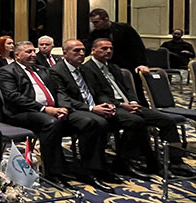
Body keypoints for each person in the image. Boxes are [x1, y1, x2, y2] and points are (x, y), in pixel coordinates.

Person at [0, 41, 111, 190]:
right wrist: (44, 109)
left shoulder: (42, 70)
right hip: (23, 113)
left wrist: (63, 107)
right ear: (17, 55)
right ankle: (55, 173)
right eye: (28, 52)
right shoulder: (7, 71)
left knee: (93, 121)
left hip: (53, 110)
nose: (33, 54)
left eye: (34, 51)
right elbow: (14, 97)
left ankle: (90, 169)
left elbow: (59, 91)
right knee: (51, 123)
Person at [50, 40, 156, 183]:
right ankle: (92, 170)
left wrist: (107, 104)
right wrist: (92, 108)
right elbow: (64, 99)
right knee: (98, 123)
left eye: (83, 50)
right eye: (76, 51)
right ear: (65, 53)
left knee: (135, 120)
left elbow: (99, 92)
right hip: (76, 109)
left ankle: (123, 162)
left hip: (95, 107)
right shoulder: (56, 71)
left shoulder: (85, 69)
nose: (81, 53)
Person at [81, 38, 190, 176]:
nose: (108, 51)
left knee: (166, 120)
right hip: (110, 106)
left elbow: (128, 88)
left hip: (128, 105)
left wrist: (133, 101)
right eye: (104, 48)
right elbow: (97, 94)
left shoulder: (113, 67)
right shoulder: (87, 69)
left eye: (111, 48)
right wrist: (121, 105)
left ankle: (176, 161)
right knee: (136, 122)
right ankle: (125, 162)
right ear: (94, 50)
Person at [86, 8, 149, 105]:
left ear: (106, 19)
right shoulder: (95, 33)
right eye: (92, 22)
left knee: (136, 91)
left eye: (96, 22)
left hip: (129, 64)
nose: (94, 25)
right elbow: (88, 48)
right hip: (110, 67)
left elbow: (138, 47)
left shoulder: (125, 28)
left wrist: (142, 64)